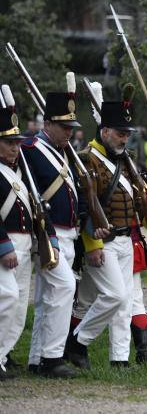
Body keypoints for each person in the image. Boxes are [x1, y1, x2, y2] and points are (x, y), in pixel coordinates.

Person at [65, 90, 147, 368]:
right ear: (105, 130)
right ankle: (78, 342)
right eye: (120, 133)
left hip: (125, 238)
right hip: (102, 241)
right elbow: (88, 206)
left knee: (124, 304)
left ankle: (119, 358)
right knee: (115, 296)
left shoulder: (125, 158)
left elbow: (135, 199)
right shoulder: (87, 158)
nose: (124, 138)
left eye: (126, 133)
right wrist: (92, 246)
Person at [22, 74, 82, 378]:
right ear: (48, 124)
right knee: (64, 287)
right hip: (48, 232)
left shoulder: (64, 152)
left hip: (68, 232)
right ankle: (52, 357)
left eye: (71, 128)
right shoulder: (29, 148)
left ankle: (36, 358)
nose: (69, 133)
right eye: (63, 127)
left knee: (48, 296)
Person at [0, 86, 54, 380]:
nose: (14, 148)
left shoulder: (20, 171)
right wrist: (4, 246)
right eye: (8, 143)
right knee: (6, 298)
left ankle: (2, 357)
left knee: (20, 306)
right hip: (5, 245)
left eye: (17, 143)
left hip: (24, 244)